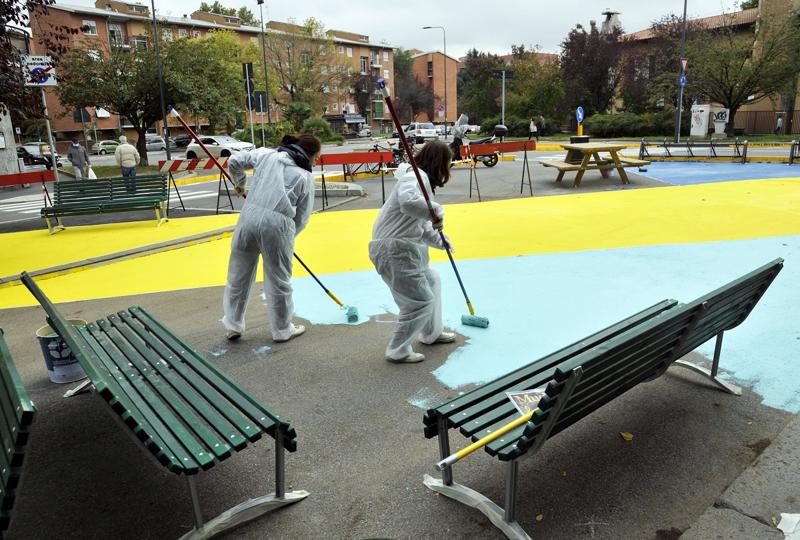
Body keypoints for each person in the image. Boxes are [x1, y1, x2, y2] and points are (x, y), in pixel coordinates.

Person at [222, 134, 321, 343]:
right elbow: (302, 217)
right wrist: (288, 239)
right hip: (279, 225)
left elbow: (234, 161)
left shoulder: (266, 155)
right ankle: (282, 330)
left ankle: (233, 325)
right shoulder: (304, 176)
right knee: (278, 279)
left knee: (238, 275)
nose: (316, 162)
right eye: (317, 158)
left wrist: (240, 184)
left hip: (248, 218)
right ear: (311, 155)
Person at [369, 140, 456, 363]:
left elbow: (422, 226)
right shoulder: (415, 177)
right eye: (448, 163)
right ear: (440, 163)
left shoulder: (422, 181)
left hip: (402, 248)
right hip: (394, 250)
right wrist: (436, 211)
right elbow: (409, 203)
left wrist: (441, 241)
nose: (449, 168)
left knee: (432, 280)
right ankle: (397, 350)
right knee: (419, 301)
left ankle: (431, 333)